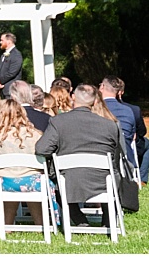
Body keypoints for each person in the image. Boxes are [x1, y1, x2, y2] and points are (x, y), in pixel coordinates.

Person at [36, 84, 126, 223]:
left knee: (57, 183)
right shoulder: (110, 125)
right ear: (96, 101)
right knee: (112, 175)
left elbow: (42, 149)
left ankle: (79, 221)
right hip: (103, 180)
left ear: (72, 98)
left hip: (70, 179)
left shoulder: (58, 121)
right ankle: (108, 222)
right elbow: (115, 155)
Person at [0, 96, 46, 229]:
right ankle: (40, 226)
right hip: (32, 181)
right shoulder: (35, 134)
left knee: (8, 177)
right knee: (32, 178)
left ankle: (6, 227)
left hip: (5, 181)